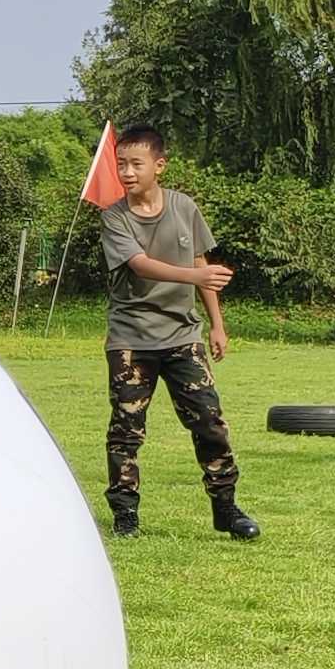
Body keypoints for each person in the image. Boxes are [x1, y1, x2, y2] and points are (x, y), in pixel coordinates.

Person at [88, 119, 258, 541]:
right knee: (127, 430)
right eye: (121, 164)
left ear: (159, 165)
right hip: (131, 339)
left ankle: (226, 508)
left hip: (183, 337)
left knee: (210, 422)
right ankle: (125, 513)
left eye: (136, 164)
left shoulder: (184, 207)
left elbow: (202, 265)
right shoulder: (114, 217)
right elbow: (140, 265)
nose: (127, 172)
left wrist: (217, 324)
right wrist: (194, 277)